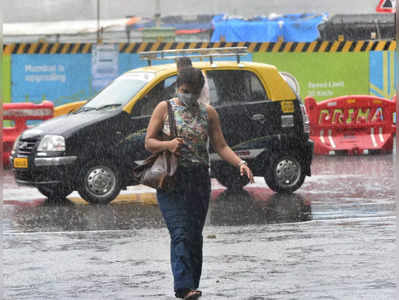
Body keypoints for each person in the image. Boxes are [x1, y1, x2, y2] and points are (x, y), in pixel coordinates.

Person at [145, 67, 254, 300]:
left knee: (194, 235)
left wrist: (240, 164)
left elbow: (221, 146)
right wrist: (169, 145)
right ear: (178, 87)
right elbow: (149, 142)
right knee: (180, 232)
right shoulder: (164, 109)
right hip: (172, 179)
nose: (189, 96)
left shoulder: (209, 113)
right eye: (185, 91)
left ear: (200, 91)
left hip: (199, 180)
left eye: (194, 92)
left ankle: (191, 284)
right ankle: (183, 287)